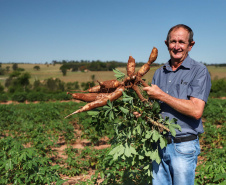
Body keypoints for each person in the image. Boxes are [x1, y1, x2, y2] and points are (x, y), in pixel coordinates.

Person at [137, 24, 211, 185]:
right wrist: (142, 112)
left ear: (190, 45)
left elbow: (196, 110)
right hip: (158, 144)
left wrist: (162, 95)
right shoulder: (159, 72)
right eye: (173, 42)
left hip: (183, 145)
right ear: (166, 44)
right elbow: (154, 108)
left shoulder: (199, 71)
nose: (176, 46)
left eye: (181, 42)